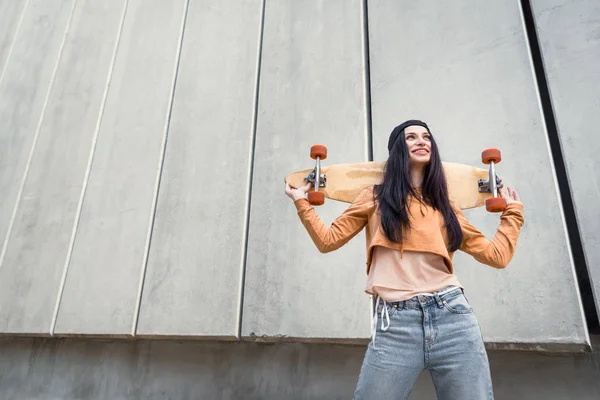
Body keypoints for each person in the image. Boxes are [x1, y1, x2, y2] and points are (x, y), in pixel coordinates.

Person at [285, 120, 524, 399]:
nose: (421, 141)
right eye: (411, 137)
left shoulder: (446, 207)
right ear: (399, 148)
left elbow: (497, 255)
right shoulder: (374, 198)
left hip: (452, 317)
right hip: (395, 322)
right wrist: (302, 202)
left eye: (426, 137)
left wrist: (513, 214)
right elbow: (328, 241)